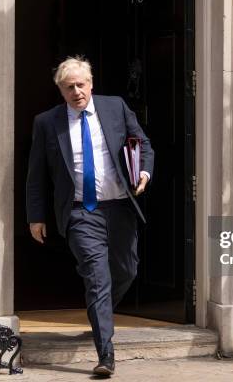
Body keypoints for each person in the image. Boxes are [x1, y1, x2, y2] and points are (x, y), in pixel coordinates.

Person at [26, 56, 154, 376]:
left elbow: (142, 143)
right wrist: (36, 216)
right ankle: (106, 354)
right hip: (82, 212)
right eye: (69, 87)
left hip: (121, 206)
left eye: (81, 85)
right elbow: (36, 175)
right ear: (61, 91)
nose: (76, 92)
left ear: (91, 84)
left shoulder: (115, 108)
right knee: (97, 277)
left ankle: (100, 314)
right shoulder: (47, 122)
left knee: (126, 270)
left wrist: (144, 172)